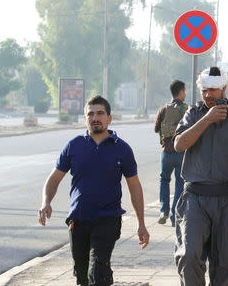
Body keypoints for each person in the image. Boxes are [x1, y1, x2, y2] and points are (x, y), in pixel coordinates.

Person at [38, 95, 150, 286]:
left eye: (100, 113)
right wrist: (46, 202)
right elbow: (54, 178)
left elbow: (134, 186)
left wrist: (141, 223)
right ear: (85, 118)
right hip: (78, 220)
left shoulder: (122, 149)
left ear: (109, 118)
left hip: (108, 218)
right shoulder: (74, 146)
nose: (95, 118)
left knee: (98, 272)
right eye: (90, 114)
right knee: (82, 277)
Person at [173, 66, 228, 285]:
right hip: (195, 198)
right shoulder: (193, 114)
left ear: (224, 89)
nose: (208, 95)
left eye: (213, 90)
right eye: (204, 90)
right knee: (189, 256)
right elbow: (179, 144)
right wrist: (207, 120)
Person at [154, 80, 188, 227]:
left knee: (164, 180)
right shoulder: (187, 109)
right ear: (181, 92)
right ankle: (175, 216)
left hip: (166, 152)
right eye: (185, 91)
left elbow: (156, 128)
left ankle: (164, 211)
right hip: (181, 152)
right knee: (180, 183)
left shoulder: (163, 109)